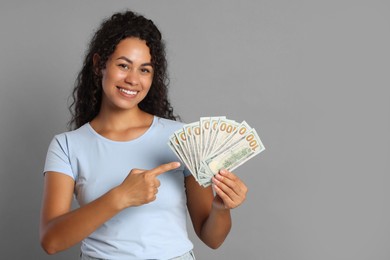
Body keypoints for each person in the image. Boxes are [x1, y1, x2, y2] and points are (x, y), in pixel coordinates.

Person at [40, 10, 248, 260]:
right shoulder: (67, 146)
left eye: (144, 70)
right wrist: (120, 196)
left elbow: (212, 238)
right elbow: (51, 241)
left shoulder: (183, 139)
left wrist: (221, 207)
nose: (132, 80)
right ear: (99, 65)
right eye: (123, 65)